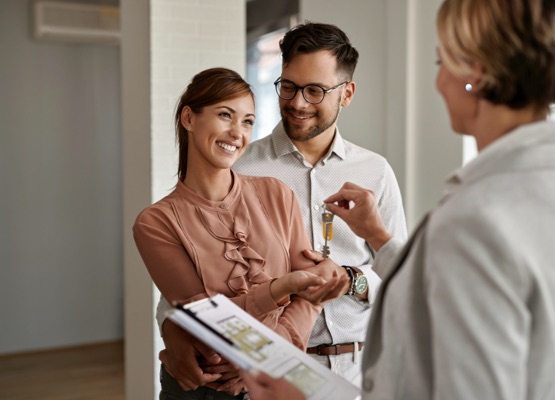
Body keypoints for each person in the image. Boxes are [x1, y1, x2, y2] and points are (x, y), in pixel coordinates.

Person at [241, 0, 555, 399]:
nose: (438, 82)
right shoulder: (530, 187)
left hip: (349, 370)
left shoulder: (474, 214)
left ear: (474, 72)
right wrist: (378, 237)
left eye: (442, 63)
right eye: (289, 86)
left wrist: (351, 279)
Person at [156, 22, 408, 388]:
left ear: (347, 93)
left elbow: (398, 278)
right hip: (260, 370)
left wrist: (350, 279)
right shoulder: (239, 166)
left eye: (315, 91)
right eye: (288, 87)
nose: (297, 103)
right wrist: (170, 327)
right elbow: (184, 276)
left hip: (359, 370)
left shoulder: (376, 172)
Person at [133, 67, 346, 400]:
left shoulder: (277, 194)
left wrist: (273, 358)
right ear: (189, 118)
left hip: (280, 379)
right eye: (224, 115)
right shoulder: (156, 223)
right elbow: (207, 326)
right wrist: (281, 288)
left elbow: (311, 292)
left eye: (247, 121)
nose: (237, 132)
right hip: (207, 390)